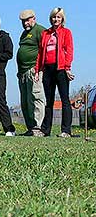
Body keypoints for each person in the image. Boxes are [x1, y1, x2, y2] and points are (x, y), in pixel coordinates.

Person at [35, 7, 74, 138]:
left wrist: (67, 67)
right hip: (47, 69)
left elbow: (69, 50)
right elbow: (40, 53)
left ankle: (66, 130)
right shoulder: (45, 33)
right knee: (49, 101)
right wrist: (37, 70)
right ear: (50, 18)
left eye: (58, 17)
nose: (56, 19)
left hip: (61, 69)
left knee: (65, 100)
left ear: (62, 19)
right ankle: (45, 130)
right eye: (54, 17)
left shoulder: (66, 32)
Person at [16, 10, 46, 136]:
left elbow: (44, 49)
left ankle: (37, 127)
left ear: (34, 18)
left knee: (36, 97)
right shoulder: (24, 34)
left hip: (34, 69)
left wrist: (39, 69)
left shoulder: (40, 30)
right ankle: (30, 128)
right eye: (23, 21)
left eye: (28, 20)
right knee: (25, 101)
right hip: (22, 72)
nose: (25, 23)